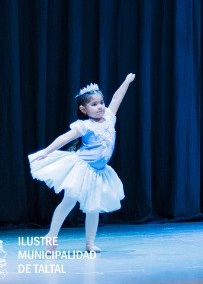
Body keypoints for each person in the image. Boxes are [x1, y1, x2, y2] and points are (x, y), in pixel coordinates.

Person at [28, 73, 135, 252]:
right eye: (94, 104)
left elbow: (117, 97)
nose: (100, 107)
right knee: (68, 203)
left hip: (99, 171)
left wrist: (126, 81)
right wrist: (46, 152)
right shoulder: (84, 126)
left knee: (93, 207)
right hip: (82, 169)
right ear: (84, 109)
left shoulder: (109, 118)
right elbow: (63, 139)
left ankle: (89, 243)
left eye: (101, 102)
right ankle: (51, 236)